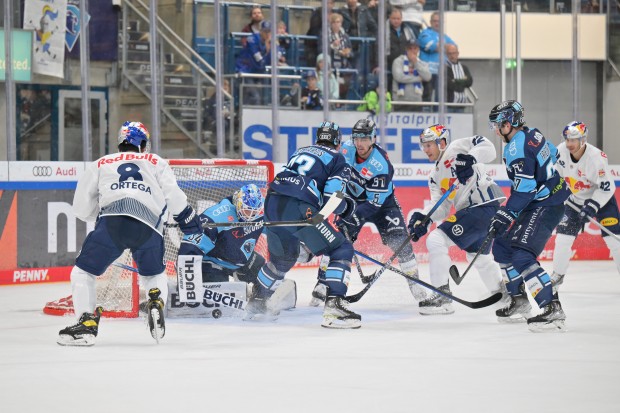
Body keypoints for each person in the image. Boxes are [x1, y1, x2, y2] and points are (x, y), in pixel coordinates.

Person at [57, 121, 203, 346]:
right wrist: (188, 220)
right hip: (149, 227)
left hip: (111, 225)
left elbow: (80, 208)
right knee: (154, 274)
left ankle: (86, 324)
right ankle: (155, 299)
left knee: (82, 272)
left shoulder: (101, 163)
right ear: (143, 144)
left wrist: (102, 216)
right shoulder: (156, 161)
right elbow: (173, 195)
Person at [246, 121, 361, 329]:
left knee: (282, 260)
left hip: (272, 202)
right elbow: (332, 198)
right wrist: (346, 209)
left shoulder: (300, 151)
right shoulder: (337, 158)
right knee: (341, 248)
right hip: (298, 205)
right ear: (336, 141)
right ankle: (334, 307)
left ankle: (257, 302)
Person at [310, 119, 427, 308]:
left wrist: (352, 215)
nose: (360, 143)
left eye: (364, 138)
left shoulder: (381, 165)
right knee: (334, 239)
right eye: (356, 138)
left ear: (373, 138)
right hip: (354, 200)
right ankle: (322, 283)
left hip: (382, 204)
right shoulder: (346, 149)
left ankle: (416, 286)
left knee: (401, 242)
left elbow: (373, 204)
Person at [487, 100, 571, 332]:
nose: (495, 129)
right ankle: (520, 300)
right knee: (503, 246)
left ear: (510, 123)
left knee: (522, 255)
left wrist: (505, 213)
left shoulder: (517, 150)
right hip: (542, 199)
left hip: (546, 204)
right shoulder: (532, 133)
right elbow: (554, 155)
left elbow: (525, 189)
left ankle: (552, 308)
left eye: (498, 124)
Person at [407, 124, 506, 315]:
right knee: (480, 258)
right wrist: (424, 218)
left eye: (429, 145)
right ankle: (505, 296)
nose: (426, 150)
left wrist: (470, 159)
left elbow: (489, 148)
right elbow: (442, 207)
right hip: (478, 212)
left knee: (436, 240)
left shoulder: (457, 148)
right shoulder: (434, 176)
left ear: (442, 143)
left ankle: (442, 296)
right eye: (423, 146)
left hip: (482, 205)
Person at [176, 184, 298, 312]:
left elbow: (279, 229)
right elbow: (192, 242)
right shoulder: (218, 214)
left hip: (242, 259)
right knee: (218, 303)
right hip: (213, 262)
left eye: (254, 212)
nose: (250, 216)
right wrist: (185, 272)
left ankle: (257, 299)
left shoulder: (262, 211)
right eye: (247, 210)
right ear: (238, 204)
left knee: (264, 275)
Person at [552, 121, 620, 306]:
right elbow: (555, 177)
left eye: (574, 139)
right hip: (575, 201)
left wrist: (593, 205)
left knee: (614, 241)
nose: (569, 143)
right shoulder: (561, 152)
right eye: (567, 139)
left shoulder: (596, 157)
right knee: (562, 240)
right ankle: (557, 276)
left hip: (602, 201)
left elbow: (607, 187)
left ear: (583, 140)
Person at [418, 11, 456, 102]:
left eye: (439, 21)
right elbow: (431, 46)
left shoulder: (445, 36)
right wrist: (445, 47)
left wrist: (441, 46)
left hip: (442, 72)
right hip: (428, 72)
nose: (437, 23)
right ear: (430, 22)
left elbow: (454, 49)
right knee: (426, 99)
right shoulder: (424, 33)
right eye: (435, 21)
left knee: (440, 99)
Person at [235, 20, 274, 105]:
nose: (267, 34)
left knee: (263, 98)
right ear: (261, 31)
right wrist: (267, 51)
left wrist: (269, 48)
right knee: (255, 97)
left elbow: (270, 62)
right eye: (265, 31)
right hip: (245, 70)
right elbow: (259, 59)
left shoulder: (269, 43)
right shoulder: (252, 39)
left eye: (269, 32)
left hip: (256, 72)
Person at [391, 39, 431, 110]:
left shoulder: (422, 63)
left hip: (416, 101)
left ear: (418, 50)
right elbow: (399, 77)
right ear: (406, 49)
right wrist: (418, 78)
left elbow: (427, 77)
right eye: (410, 48)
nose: (412, 51)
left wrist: (416, 63)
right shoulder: (398, 61)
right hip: (400, 101)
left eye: (415, 48)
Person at [385, 7, 416, 92]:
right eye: (394, 18)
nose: (396, 21)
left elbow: (412, 45)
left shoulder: (407, 30)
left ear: (401, 19)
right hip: (389, 63)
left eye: (398, 18)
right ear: (389, 18)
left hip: (406, 62)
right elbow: (378, 47)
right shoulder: (384, 30)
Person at [446, 44, 473, 110]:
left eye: (454, 53)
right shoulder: (445, 68)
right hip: (448, 105)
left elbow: (469, 82)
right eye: (450, 53)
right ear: (446, 55)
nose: (452, 56)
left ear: (457, 53)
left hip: (461, 104)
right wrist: (463, 81)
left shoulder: (464, 68)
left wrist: (456, 80)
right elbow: (449, 85)